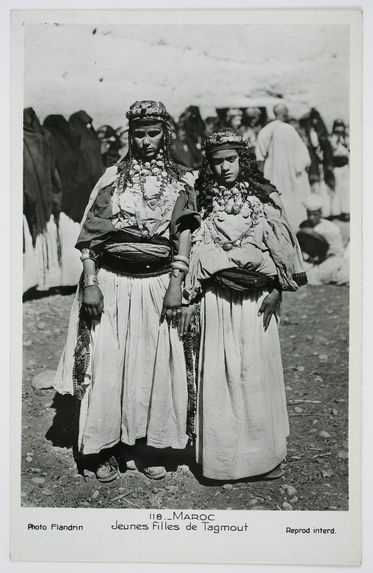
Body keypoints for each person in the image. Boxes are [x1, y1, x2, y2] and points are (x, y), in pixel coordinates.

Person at [54, 100, 200, 482]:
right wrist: (90, 283)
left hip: (157, 284)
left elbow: (184, 234)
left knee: (152, 367)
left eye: (154, 133)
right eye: (139, 134)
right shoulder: (111, 178)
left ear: (165, 134)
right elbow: (91, 238)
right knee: (110, 366)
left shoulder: (182, 180)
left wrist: (175, 284)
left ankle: (148, 446)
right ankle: (104, 449)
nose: (147, 140)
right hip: (113, 284)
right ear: (129, 136)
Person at [184, 129, 307, 481]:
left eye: (231, 160)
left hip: (257, 299)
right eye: (217, 161)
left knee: (256, 374)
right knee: (221, 374)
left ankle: (264, 459)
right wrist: (194, 295)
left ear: (242, 160)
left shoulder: (263, 198)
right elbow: (191, 248)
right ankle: (222, 463)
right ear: (208, 164)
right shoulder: (201, 201)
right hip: (217, 299)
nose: (225, 167)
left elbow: (281, 249)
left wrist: (278, 290)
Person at [256, 103, 311, 230]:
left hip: (273, 173)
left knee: (278, 200)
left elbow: (260, 156)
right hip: (292, 174)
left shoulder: (265, 130)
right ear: (285, 114)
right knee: (294, 202)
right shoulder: (289, 129)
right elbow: (303, 158)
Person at [297, 195, 349, 286]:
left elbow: (338, 252)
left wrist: (323, 256)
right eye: (309, 214)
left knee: (313, 277)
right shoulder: (304, 225)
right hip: (309, 260)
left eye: (315, 214)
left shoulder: (331, 228)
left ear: (321, 213)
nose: (311, 218)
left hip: (329, 260)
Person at [299, 108, 335, 218]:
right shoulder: (308, 134)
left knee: (324, 186)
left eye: (316, 119)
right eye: (312, 119)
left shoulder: (322, 133)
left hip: (322, 164)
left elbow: (327, 148)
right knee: (315, 187)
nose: (314, 121)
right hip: (314, 164)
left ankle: (326, 211)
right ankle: (316, 210)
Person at [329, 119, 350, 221]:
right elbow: (333, 150)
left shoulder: (345, 138)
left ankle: (346, 211)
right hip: (336, 167)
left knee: (346, 189)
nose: (339, 130)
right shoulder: (332, 138)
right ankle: (337, 212)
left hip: (345, 167)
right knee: (337, 190)